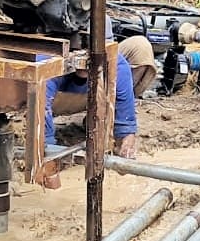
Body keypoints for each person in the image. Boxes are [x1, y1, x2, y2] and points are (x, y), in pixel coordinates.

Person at [45, 34, 155, 162]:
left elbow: (126, 125)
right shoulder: (49, 63)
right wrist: (49, 152)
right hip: (50, 87)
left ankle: (103, 115)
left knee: (140, 46)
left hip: (92, 83)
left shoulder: (117, 64)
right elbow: (41, 108)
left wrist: (126, 139)